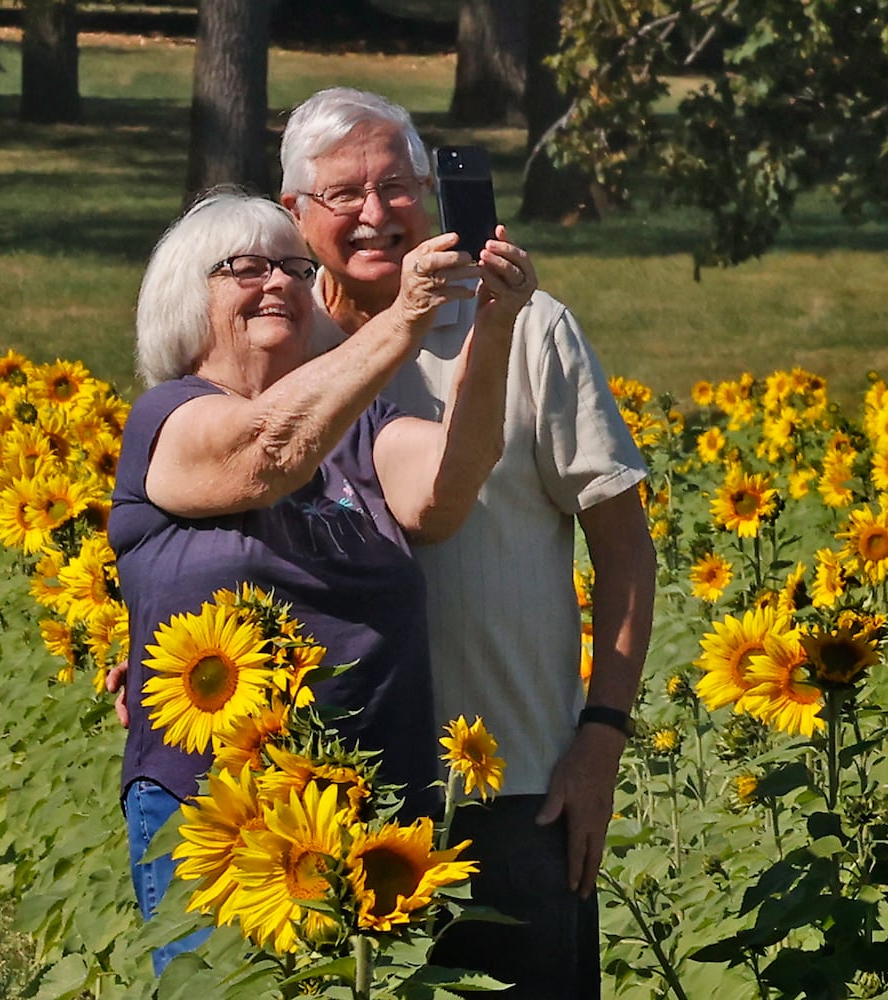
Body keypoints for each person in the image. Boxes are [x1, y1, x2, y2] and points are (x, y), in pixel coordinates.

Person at [278, 88, 657, 998]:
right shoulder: (279, 343)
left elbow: (625, 548)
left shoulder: (525, 326)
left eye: (398, 186)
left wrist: (600, 738)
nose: (375, 215)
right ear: (294, 212)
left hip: (510, 784)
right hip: (321, 793)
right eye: (342, 195)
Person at [109, 188, 536, 973]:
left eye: (292, 267)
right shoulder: (168, 419)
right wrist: (403, 319)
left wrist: (495, 325)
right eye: (244, 267)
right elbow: (264, 452)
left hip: (373, 814)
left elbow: (448, 488)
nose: (276, 282)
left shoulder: (358, 430)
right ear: (183, 299)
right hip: (222, 818)